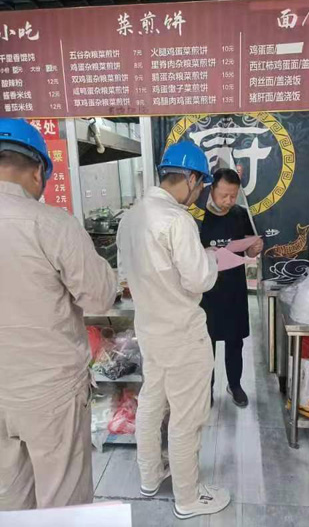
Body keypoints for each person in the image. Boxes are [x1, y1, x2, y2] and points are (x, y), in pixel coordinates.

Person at [0, 118, 116, 510]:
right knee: (62, 502)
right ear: (37, 171)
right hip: (49, 390)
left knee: (9, 500)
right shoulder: (49, 223)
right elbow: (99, 298)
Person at [117, 141, 230, 520]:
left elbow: (125, 275)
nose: (199, 195)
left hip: (150, 331)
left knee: (151, 404)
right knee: (186, 418)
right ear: (192, 178)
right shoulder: (177, 220)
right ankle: (187, 497)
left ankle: (150, 477)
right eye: (201, 186)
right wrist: (211, 258)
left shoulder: (131, 217)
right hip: (182, 335)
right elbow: (200, 280)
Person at [200, 168, 264, 408]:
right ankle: (206, 389)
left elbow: (248, 248)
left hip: (234, 288)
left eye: (233, 196)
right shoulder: (198, 217)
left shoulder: (240, 214)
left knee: (235, 341)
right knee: (206, 344)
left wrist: (253, 250)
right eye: (223, 195)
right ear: (211, 190)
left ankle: (235, 385)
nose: (228, 201)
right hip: (206, 292)